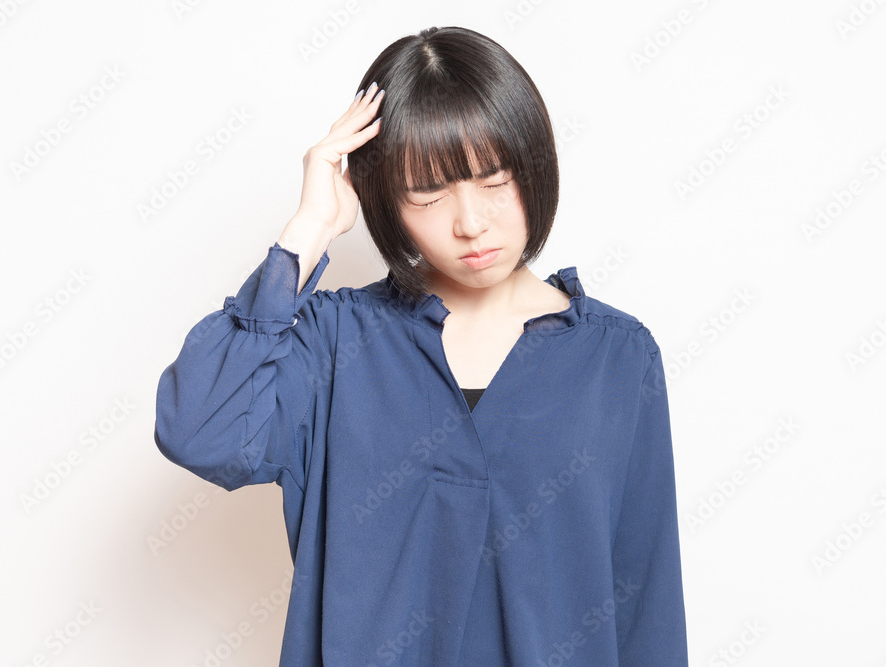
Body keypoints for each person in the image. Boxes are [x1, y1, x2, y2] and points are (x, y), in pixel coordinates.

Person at [154, 25, 688, 666]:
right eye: (429, 194)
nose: (471, 223)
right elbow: (199, 432)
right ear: (387, 200)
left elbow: (645, 597)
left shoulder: (617, 357)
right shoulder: (334, 344)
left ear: (535, 165)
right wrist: (308, 230)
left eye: (494, 180)